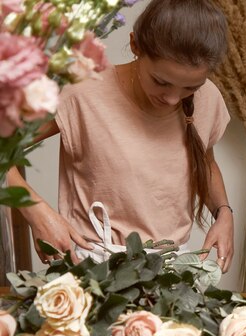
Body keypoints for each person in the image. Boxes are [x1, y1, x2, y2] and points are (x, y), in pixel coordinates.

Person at [7, 0, 234, 272]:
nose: (173, 98)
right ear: (135, 46)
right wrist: (37, 212)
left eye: (190, 87)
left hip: (172, 273)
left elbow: (205, 161)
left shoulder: (209, 98)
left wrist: (224, 213)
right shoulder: (83, 92)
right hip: (92, 268)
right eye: (161, 82)